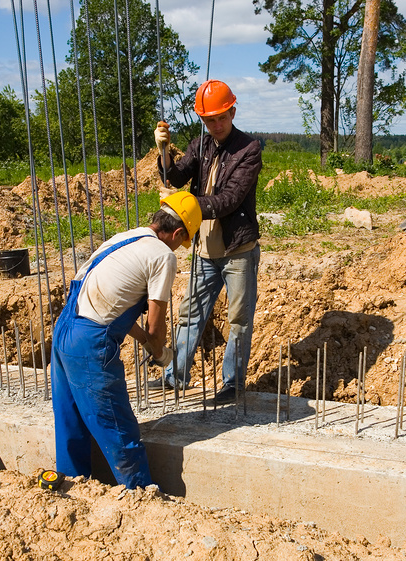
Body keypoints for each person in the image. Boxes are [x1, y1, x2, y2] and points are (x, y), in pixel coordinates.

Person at [51, 191, 201, 489]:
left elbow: (114, 305)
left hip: (66, 329)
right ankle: (140, 496)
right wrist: (160, 352)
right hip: (90, 342)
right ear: (178, 232)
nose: (178, 248)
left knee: (71, 421)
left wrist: (145, 341)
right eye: (181, 242)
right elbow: (156, 323)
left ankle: (72, 486)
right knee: (118, 428)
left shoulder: (126, 238)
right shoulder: (162, 255)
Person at [151, 79, 263, 405]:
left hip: (237, 250)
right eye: (209, 120)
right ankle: (175, 377)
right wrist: (164, 154)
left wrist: (184, 205)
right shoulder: (200, 144)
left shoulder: (248, 149)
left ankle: (232, 384)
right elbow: (174, 177)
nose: (216, 125)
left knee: (239, 319)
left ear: (232, 111)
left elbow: (229, 199)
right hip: (204, 249)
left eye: (221, 118)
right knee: (191, 315)